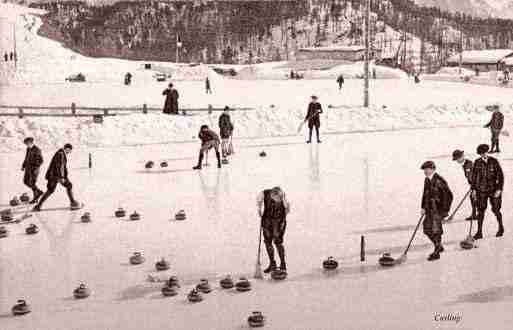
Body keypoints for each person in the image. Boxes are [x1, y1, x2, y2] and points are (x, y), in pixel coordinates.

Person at [420, 161, 453, 261]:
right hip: (429, 209)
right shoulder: (427, 180)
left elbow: (449, 196)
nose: (425, 171)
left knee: (436, 230)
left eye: (428, 169)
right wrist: (423, 207)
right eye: (424, 170)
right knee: (426, 229)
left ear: (433, 169)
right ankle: (438, 245)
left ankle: (437, 251)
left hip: (437, 210)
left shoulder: (439, 180)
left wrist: (444, 211)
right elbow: (425, 194)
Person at [471, 144, 504, 239]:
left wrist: (499, 189)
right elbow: (474, 178)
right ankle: (479, 232)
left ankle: (501, 228)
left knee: (496, 210)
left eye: (484, 153)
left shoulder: (494, 161)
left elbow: (500, 176)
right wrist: (473, 189)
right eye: (481, 154)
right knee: (480, 211)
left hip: (494, 190)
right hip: (481, 191)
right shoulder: (477, 162)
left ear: (487, 152)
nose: (483, 155)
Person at [33, 144, 80, 212]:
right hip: (57, 176)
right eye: (69, 150)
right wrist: (62, 177)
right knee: (69, 185)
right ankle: (73, 203)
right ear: (67, 148)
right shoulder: (61, 154)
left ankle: (38, 206)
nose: (69, 152)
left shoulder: (59, 153)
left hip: (53, 176)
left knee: (50, 190)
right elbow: (60, 166)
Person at [257, 186, 290, 272]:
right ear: (272, 195)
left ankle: (283, 264)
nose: (278, 200)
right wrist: (259, 209)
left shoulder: (283, 197)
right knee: (268, 242)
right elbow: (259, 199)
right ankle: (272, 264)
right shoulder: (265, 193)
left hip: (278, 222)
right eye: (276, 198)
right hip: (267, 221)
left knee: (278, 242)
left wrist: (282, 220)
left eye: (279, 199)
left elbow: (287, 209)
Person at [452, 150, 477, 220]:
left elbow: (474, 177)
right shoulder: (465, 164)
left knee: (475, 198)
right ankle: (475, 214)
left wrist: (474, 187)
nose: (457, 161)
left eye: (457, 159)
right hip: (474, 184)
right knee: (473, 198)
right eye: (456, 159)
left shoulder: (468, 164)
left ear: (462, 157)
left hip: (477, 184)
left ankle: (476, 215)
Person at [21, 137, 44, 204]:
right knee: (25, 181)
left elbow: (41, 160)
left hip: (34, 170)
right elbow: (26, 158)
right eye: (26, 144)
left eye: (27, 143)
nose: (26, 145)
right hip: (28, 169)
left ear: (31, 143)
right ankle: (39, 192)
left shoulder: (37, 150)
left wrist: (35, 167)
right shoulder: (28, 149)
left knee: (32, 183)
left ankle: (35, 198)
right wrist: (23, 166)